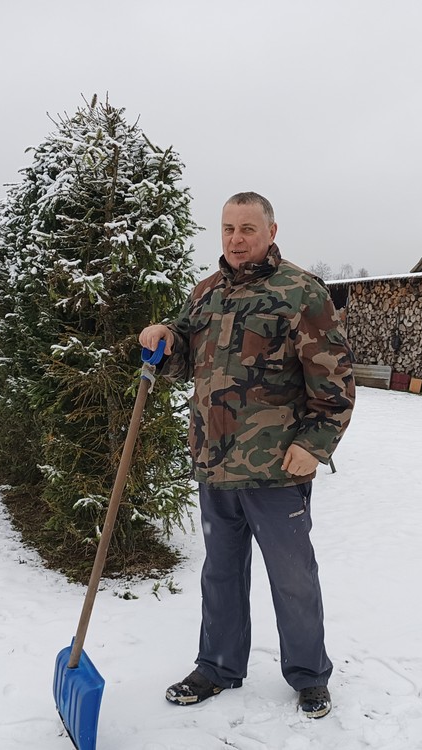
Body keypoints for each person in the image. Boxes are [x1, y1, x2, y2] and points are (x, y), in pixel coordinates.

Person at [138, 191, 355, 719]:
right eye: (228, 229)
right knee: (220, 574)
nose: (236, 240)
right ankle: (217, 667)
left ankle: (309, 675)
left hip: (277, 469)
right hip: (214, 463)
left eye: (248, 229)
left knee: (293, 578)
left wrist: (313, 445)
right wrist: (165, 338)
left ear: (271, 232)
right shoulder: (206, 292)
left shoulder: (301, 292)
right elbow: (184, 357)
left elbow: (336, 383)